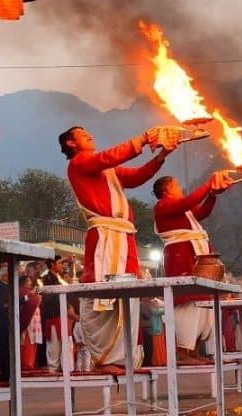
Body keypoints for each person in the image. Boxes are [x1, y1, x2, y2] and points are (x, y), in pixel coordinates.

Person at [61, 124, 181, 373]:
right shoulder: (80, 162)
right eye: (83, 134)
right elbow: (108, 156)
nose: (89, 134)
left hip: (124, 235)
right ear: (71, 144)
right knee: (103, 293)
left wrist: (161, 156)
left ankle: (124, 358)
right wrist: (145, 138)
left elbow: (137, 177)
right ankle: (103, 359)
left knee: (129, 294)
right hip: (105, 235)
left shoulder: (107, 170)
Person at [152, 171, 232, 365]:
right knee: (188, 302)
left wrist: (212, 194)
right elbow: (186, 203)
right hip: (180, 255)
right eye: (176, 184)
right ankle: (182, 352)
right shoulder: (163, 205)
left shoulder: (183, 211)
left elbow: (202, 212)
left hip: (194, 253)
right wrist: (208, 184)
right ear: (167, 189)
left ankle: (193, 350)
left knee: (202, 302)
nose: (180, 188)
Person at [40, 257, 76, 373]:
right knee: (54, 349)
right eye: (60, 263)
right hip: (53, 317)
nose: (61, 266)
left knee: (67, 347)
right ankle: (53, 373)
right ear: (51, 265)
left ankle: (67, 372)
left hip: (62, 317)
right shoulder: (46, 279)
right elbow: (51, 299)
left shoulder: (58, 278)